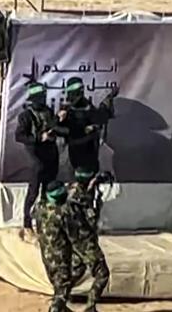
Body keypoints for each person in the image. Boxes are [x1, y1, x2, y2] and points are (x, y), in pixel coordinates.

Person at [16, 82, 67, 241]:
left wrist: (60, 121)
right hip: (36, 157)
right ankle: (27, 225)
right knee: (33, 192)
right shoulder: (26, 115)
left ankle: (44, 222)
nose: (43, 99)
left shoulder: (48, 111)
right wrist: (39, 138)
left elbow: (55, 128)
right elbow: (19, 136)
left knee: (48, 191)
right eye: (40, 97)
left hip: (51, 154)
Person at [65, 169, 111, 312]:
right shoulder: (80, 197)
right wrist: (97, 204)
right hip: (85, 240)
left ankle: (59, 299)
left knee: (77, 270)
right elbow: (90, 220)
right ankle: (90, 307)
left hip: (77, 240)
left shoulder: (73, 190)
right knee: (102, 273)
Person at [57, 77, 117, 174]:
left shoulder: (87, 106)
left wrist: (108, 100)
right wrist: (62, 123)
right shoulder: (66, 109)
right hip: (75, 151)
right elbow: (57, 128)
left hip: (89, 150)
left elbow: (100, 118)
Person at [35, 180, 74, 312]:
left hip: (47, 257)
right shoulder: (62, 214)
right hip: (60, 258)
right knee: (62, 291)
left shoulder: (39, 209)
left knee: (58, 288)